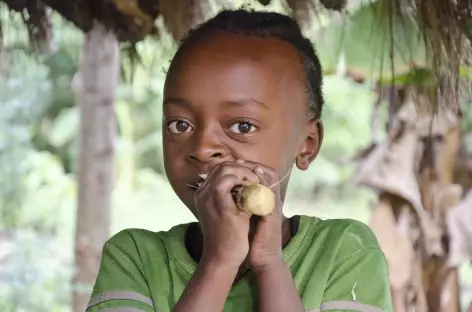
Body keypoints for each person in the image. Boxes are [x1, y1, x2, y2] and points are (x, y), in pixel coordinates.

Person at [86, 8, 393, 312]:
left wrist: (271, 264)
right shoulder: (134, 257)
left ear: (307, 144)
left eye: (242, 126)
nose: (203, 148)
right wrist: (220, 261)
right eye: (180, 124)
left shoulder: (345, 251)